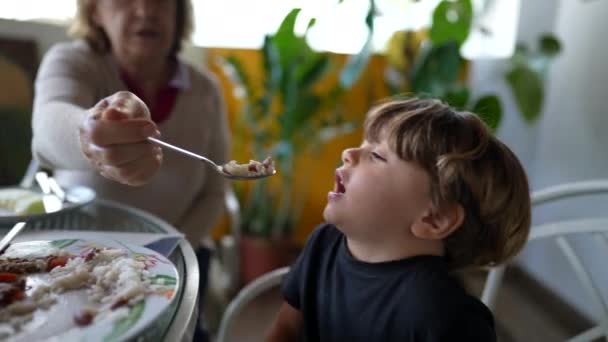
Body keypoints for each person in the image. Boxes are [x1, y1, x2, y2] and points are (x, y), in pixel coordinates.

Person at [31, 0, 228, 339]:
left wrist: (165, 254)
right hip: (75, 266)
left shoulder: (206, 90)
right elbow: (47, 127)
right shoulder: (72, 61)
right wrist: (88, 133)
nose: (145, 10)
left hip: (178, 255)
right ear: (94, 11)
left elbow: (215, 190)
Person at [267, 97, 532, 341]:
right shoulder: (323, 245)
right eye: (363, 144)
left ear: (434, 218)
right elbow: (287, 329)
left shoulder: (446, 318)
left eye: (377, 155)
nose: (348, 153)